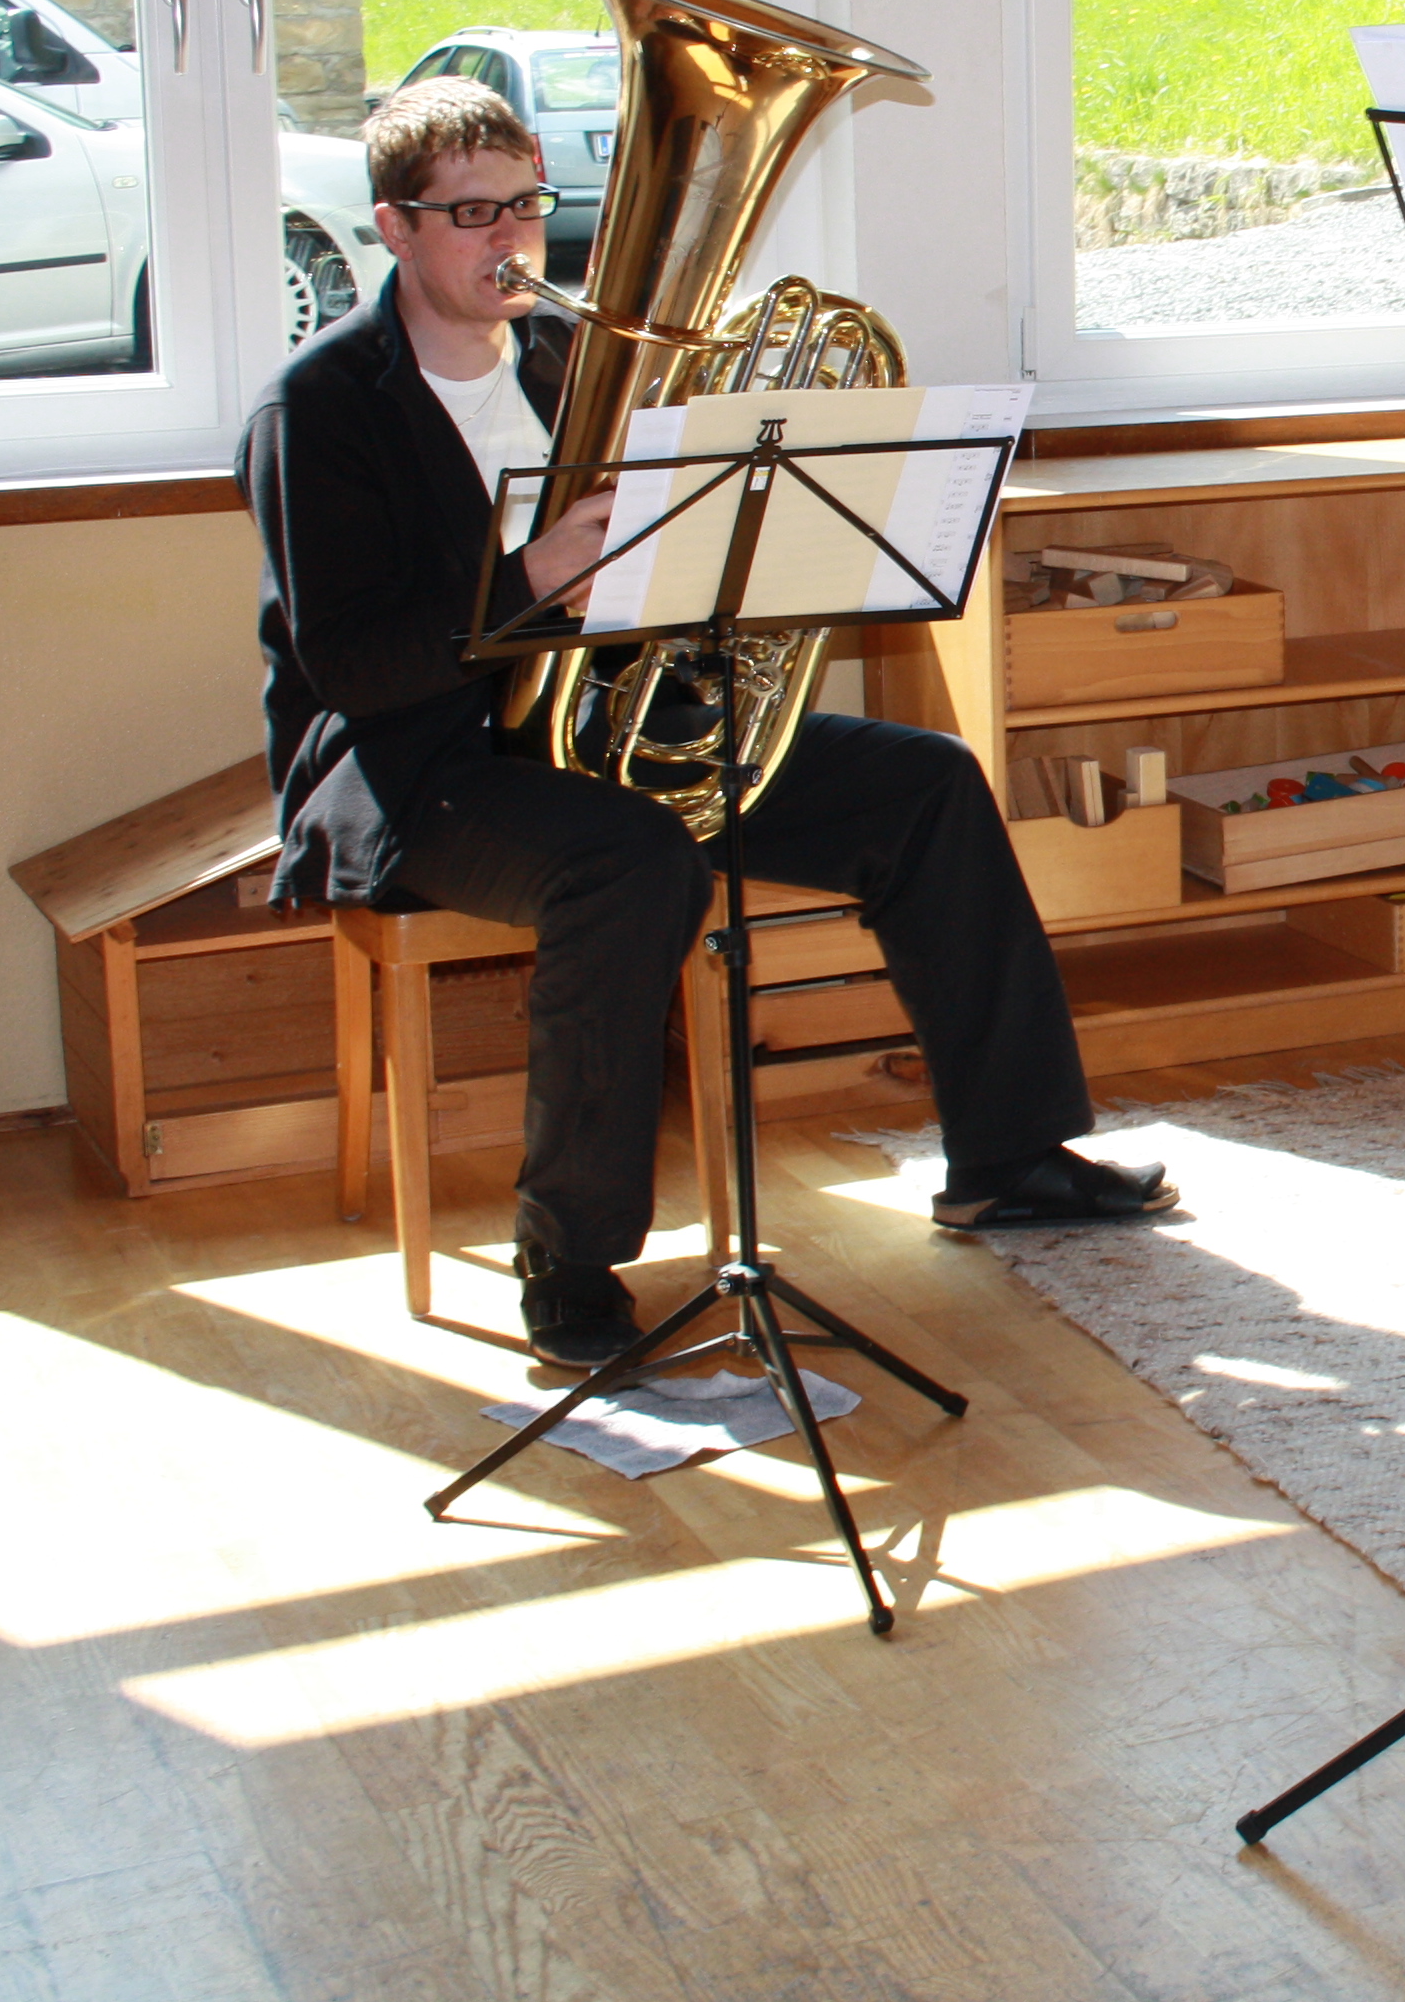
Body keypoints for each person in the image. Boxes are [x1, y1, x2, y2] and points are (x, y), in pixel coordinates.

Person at [238, 76, 1172, 1368]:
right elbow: (350, 663)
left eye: (524, 206)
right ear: (394, 228)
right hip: (418, 769)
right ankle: (569, 1259)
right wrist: (529, 579)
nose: (509, 238)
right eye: (470, 214)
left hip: (592, 731)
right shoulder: (323, 406)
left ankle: (1007, 1159)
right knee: (633, 863)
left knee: (926, 785)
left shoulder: (568, 361)